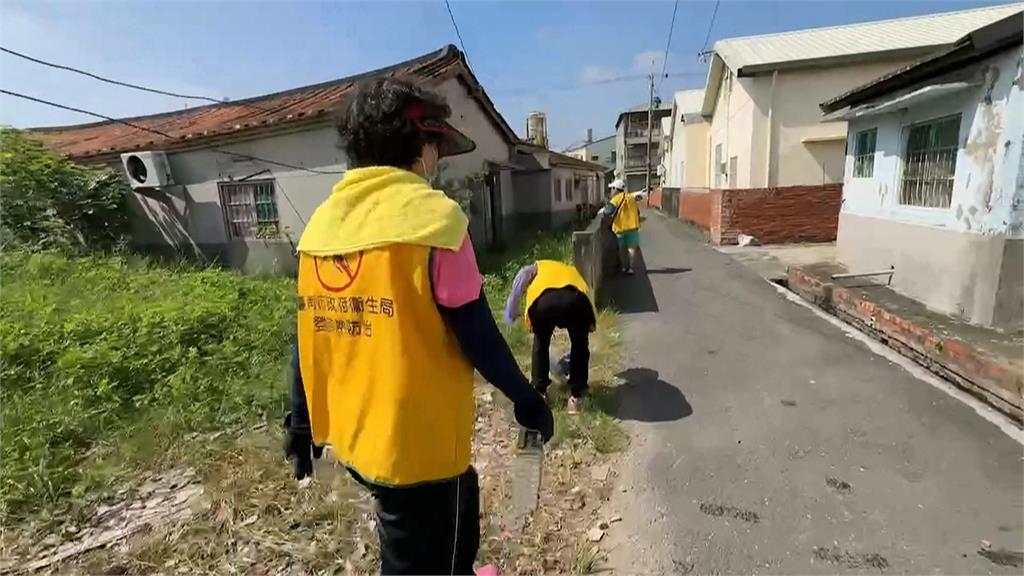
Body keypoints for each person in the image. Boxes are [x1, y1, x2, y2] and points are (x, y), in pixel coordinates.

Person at [283, 76, 554, 576]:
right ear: (422, 147)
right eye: (436, 148)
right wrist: (527, 398)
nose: (436, 162)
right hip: (418, 447)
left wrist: (300, 422)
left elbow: (305, 337)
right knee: (427, 553)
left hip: (358, 437)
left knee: (434, 517)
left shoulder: (321, 226)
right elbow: (479, 336)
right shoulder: (434, 221)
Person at [503, 260, 597, 414]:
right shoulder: (572, 271)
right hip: (576, 300)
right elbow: (586, 292)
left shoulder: (539, 266)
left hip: (543, 303)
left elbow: (522, 277)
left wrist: (511, 311)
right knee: (580, 344)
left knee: (541, 342)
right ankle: (576, 398)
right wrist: (589, 324)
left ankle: (540, 393)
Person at [602, 179, 642, 274]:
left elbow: (607, 212)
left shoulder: (615, 200)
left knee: (622, 249)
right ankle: (631, 268)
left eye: (612, 189)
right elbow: (638, 212)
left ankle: (625, 267)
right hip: (633, 227)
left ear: (616, 189)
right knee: (632, 248)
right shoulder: (631, 198)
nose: (611, 191)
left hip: (620, 228)